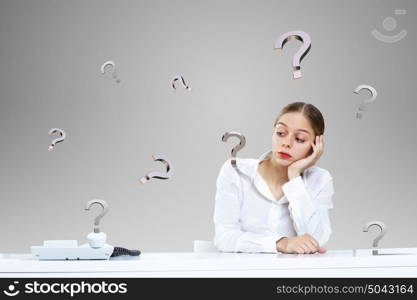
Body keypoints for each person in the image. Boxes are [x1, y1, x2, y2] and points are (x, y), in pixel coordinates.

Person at [213, 102, 334, 254]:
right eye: (281, 133)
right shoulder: (235, 170)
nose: (286, 143)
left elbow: (316, 240)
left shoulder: (320, 179)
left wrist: (294, 177)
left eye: (300, 139)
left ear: (316, 145)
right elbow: (224, 237)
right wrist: (282, 243)